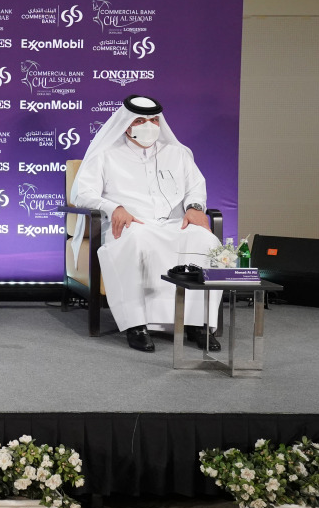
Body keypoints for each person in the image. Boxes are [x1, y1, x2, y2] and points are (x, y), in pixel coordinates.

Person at [70, 94, 223, 353]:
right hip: (131, 225)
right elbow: (81, 194)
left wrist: (195, 208)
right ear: (126, 123)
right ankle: (136, 324)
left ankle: (199, 323)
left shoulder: (178, 153)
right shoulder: (106, 155)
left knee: (207, 241)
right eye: (140, 120)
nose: (148, 125)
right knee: (137, 239)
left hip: (174, 224)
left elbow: (196, 187)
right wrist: (113, 207)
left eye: (153, 119)